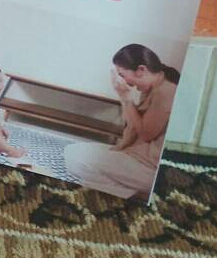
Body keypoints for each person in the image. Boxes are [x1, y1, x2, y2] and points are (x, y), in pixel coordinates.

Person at [63, 44, 179, 200]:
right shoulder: (151, 88)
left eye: (122, 75)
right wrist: (124, 98)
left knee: (77, 158)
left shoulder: (167, 91)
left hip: (149, 168)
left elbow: (146, 134)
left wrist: (127, 98)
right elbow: (132, 127)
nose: (124, 81)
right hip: (135, 155)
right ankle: (129, 193)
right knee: (72, 150)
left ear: (141, 70)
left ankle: (134, 195)